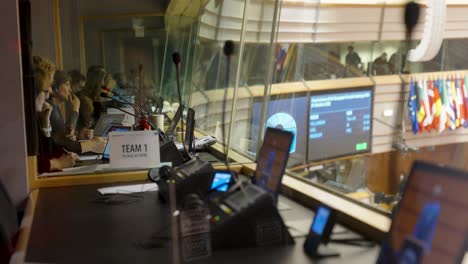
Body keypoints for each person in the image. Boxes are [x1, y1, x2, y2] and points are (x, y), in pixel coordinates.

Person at [33, 56, 77, 173]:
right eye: (46, 88)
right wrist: (57, 163)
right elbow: (24, 165)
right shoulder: (18, 122)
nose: (49, 93)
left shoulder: (37, 116)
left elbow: (47, 153)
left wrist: (45, 125)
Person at [77, 66, 107, 139]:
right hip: (87, 139)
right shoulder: (85, 100)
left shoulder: (93, 97)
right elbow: (87, 126)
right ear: (97, 81)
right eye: (103, 80)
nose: (103, 83)